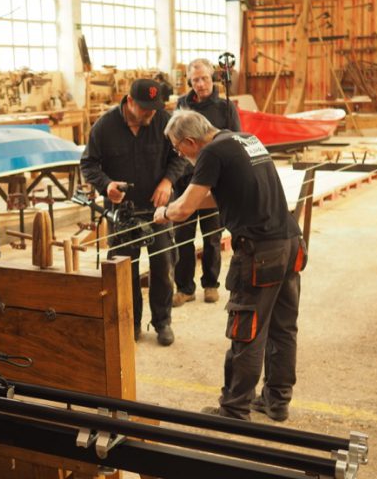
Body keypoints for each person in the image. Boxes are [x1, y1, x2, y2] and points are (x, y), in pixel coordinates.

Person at [154, 110, 307, 420]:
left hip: (260, 252)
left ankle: (234, 409)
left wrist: (166, 213)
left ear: (189, 141)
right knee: (282, 328)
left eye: (176, 147)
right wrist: (182, 205)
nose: (178, 154)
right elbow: (217, 195)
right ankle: (276, 402)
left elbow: (184, 209)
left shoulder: (211, 152)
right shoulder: (245, 139)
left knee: (246, 330)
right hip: (290, 243)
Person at [81, 79, 186, 346]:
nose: (151, 114)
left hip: (159, 209)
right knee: (125, 270)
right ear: (129, 102)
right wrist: (106, 186)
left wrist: (167, 182)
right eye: (145, 109)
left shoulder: (165, 121)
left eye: (154, 108)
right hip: (122, 211)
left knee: (163, 265)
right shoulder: (104, 127)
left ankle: (163, 322)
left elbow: (182, 156)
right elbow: (89, 164)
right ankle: (131, 323)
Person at [172, 58, 242, 308]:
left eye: (204, 79)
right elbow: (175, 141)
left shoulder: (225, 107)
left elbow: (236, 143)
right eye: (195, 80)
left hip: (213, 181)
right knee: (182, 236)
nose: (200, 84)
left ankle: (210, 284)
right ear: (189, 81)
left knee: (212, 236)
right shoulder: (182, 104)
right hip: (185, 181)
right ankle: (184, 288)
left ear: (213, 78)